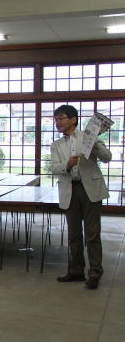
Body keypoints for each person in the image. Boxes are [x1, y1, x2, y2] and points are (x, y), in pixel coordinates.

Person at [50, 105, 112, 290]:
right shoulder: (56, 145)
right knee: (74, 235)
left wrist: (93, 145)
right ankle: (76, 270)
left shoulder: (88, 137)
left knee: (92, 235)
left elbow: (107, 157)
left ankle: (95, 273)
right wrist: (66, 165)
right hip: (70, 190)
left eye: (61, 118)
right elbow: (53, 168)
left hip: (90, 189)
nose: (58, 122)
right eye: (56, 119)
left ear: (73, 120)